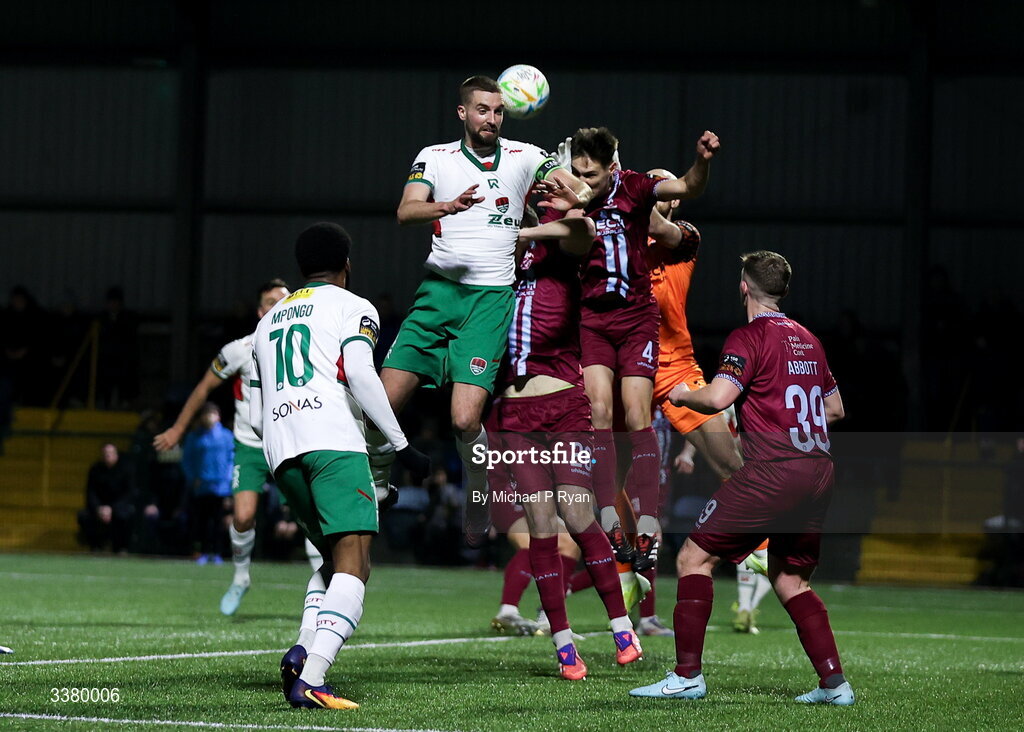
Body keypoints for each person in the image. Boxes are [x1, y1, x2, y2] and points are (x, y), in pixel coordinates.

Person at [365, 75, 592, 529]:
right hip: (437, 293)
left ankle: (478, 482)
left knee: (466, 420)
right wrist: (445, 207)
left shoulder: (526, 156)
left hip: (489, 300)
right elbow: (406, 211)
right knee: (379, 405)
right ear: (463, 113)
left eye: (498, 111)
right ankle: (381, 479)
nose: (492, 118)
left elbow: (580, 192)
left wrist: (573, 192)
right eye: (483, 110)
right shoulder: (434, 157)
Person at [629, 250, 853, 705]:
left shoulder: (748, 336)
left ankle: (687, 676)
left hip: (773, 471)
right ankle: (835, 684)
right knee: (790, 578)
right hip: (819, 470)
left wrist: (681, 395)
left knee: (693, 558)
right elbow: (835, 409)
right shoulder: (809, 339)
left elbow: (718, 398)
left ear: (744, 287)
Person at [251, 222, 429, 710]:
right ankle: (312, 679)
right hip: (332, 443)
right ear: (347, 265)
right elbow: (358, 371)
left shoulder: (268, 321)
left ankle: (303, 649)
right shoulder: (354, 306)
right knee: (356, 565)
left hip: (281, 451)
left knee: (332, 558)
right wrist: (400, 443)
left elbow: (256, 406)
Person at [552, 128, 719, 575]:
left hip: (637, 323)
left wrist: (701, 159)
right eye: (577, 172)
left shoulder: (637, 189)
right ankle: (609, 519)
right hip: (592, 319)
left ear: (612, 168)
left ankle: (648, 524)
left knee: (637, 416)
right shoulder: (572, 192)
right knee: (600, 414)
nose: (583, 180)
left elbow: (687, 186)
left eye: (592, 173)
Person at [493, 212, 644, 679]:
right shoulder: (494, 258)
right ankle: (562, 644)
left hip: (562, 405)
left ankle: (621, 627)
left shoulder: (560, 245)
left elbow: (584, 230)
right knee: (541, 525)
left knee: (576, 516)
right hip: (512, 413)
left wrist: (527, 230)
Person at [646, 187, 765, 632]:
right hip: (622, 369)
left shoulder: (683, 237)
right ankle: (622, 581)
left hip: (675, 369)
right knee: (611, 487)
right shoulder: (613, 235)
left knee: (733, 466)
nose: (651, 192)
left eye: (660, 188)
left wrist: (613, 192)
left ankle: (766, 547)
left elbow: (654, 222)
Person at [153, 279, 303, 615]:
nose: (277, 307)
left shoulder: (304, 345)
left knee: (311, 517)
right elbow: (204, 387)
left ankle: (323, 589)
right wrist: (179, 427)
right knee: (243, 515)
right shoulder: (241, 348)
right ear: (260, 310)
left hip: (291, 443)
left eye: (284, 301)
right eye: (270, 302)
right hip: (250, 445)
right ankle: (240, 577)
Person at [181, 403, 235, 564]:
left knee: (218, 521)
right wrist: (192, 478)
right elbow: (187, 460)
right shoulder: (194, 436)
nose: (209, 417)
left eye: (212, 413)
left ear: (218, 416)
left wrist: (228, 481)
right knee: (202, 521)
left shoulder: (226, 436)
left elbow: (231, 460)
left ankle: (217, 553)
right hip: (201, 486)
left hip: (220, 487)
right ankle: (203, 552)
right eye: (206, 414)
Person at [77, 443, 134, 553]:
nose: (107, 456)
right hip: (100, 508)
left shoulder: (126, 469)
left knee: (127, 515)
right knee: (83, 516)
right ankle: (95, 547)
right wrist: (99, 508)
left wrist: (112, 508)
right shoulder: (95, 469)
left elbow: (129, 493)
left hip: (118, 507)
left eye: (110, 454)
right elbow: (91, 492)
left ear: (116, 455)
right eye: (105, 454)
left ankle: (121, 548)